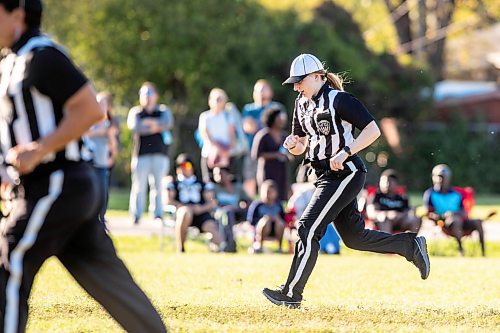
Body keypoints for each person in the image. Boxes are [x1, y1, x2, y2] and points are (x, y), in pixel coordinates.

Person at [0, 1, 166, 332]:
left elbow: (89, 109)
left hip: (58, 182)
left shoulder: (42, 55)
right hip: (54, 187)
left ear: (17, 11)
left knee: (8, 261)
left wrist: (38, 150)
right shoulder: (10, 62)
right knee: (111, 282)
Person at [262, 53, 430, 308]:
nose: (296, 87)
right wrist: (293, 144)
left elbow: (373, 129)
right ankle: (410, 246)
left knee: (307, 229)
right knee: (354, 238)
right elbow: (302, 144)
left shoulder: (339, 99)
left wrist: (346, 151)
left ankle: (291, 294)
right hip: (323, 177)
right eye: (294, 83)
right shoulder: (301, 103)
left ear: (317, 76)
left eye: (300, 81)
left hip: (346, 173)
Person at [127, 82, 174, 224]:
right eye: (143, 94)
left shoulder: (163, 110)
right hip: (141, 154)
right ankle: (136, 215)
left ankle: (157, 214)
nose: (146, 97)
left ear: (155, 95)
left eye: (149, 93)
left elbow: (167, 123)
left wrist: (149, 123)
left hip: (160, 154)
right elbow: (135, 127)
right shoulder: (136, 112)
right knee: (139, 186)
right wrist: (156, 126)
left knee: (158, 186)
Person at [423, 164, 485, 256]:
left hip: (460, 218)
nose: (440, 180)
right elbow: (429, 213)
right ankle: (461, 250)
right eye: (438, 177)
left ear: (448, 178)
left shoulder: (456, 194)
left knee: (478, 222)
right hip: (444, 223)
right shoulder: (430, 194)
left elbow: (464, 212)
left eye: (443, 177)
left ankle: (483, 252)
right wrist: (440, 216)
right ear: (433, 177)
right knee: (455, 221)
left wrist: (453, 213)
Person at [165, 154, 222, 252]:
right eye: (180, 166)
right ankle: (181, 248)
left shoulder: (202, 183)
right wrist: (183, 207)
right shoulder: (174, 183)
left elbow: (212, 202)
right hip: (182, 213)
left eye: (186, 165)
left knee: (213, 228)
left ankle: (220, 248)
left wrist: (200, 208)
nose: (183, 169)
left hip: (200, 213)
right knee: (185, 213)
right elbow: (168, 200)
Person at [242, 79, 286, 198]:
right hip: (253, 148)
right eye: (258, 91)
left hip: (274, 148)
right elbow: (248, 126)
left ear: (270, 92)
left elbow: (281, 123)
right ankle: (249, 201)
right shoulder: (249, 109)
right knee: (250, 177)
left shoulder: (277, 107)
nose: (261, 94)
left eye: (264, 90)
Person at [84, 92, 117, 224]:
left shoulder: (110, 124)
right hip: (89, 162)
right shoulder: (89, 121)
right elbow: (83, 133)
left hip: (102, 162)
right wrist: (99, 131)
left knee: (103, 192)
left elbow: (114, 145)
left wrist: (112, 157)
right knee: (90, 191)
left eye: (103, 103)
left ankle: (101, 219)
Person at [198, 88, 236, 183]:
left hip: (226, 155)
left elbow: (232, 136)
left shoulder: (228, 117)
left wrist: (226, 151)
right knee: (209, 182)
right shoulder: (205, 116)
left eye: (220, 99)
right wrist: (217, 148)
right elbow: (205, 135)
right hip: (209, 154)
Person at [252, 106, 289, 201]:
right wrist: (275, 155)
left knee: (281, 197)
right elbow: (256, 154)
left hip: (281, 171)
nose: (281, 120)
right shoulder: (263, 135)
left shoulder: (284, 136)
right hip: (267, 171)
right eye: (279, 118)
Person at [366, 169, 422, 233]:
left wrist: (400, 215)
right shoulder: (376, 196)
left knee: (415, 219)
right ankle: (387, 242)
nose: (386, 184)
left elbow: (408, 211)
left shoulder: (402, 198)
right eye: (384, 181)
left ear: (396, 183)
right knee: (385, 219)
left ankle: (410, 241)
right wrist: (387, 214)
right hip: (382, 222)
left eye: (389, 181)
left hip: (399, 221)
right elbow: (371, 212)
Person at [246, 180, 286, 254]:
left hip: (275, 229)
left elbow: (283, 221)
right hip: (260, 230)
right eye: (267, 191)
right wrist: (265, 219)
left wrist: (275, 218)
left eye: (271, 192)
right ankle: (260, 246)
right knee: (265, 221)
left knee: (279, 222)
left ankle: (280, 247)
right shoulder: (257, 205)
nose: (269, 194)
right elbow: (251, 221)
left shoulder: (278, 205)